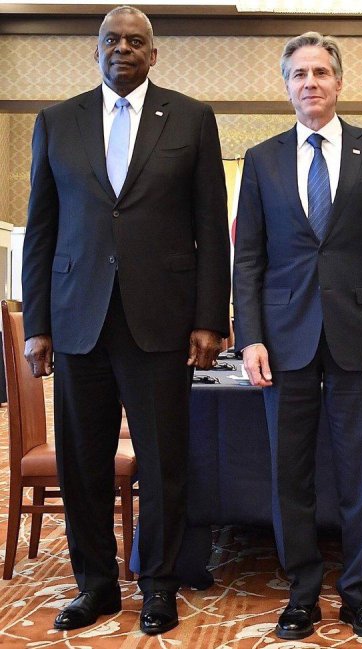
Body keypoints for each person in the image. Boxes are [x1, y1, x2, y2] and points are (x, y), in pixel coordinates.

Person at [22, 5, 230, 635]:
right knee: (83, 462)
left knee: (164, 460)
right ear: (96, 51)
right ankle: (97, 586)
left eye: (135, 42)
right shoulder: (57, 122)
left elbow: (209, 227)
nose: (123, 49)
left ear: (154, 54)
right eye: (111, 40)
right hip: (77, 319)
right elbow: (42, 229)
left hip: (162, 322)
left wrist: (209, 317)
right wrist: (37, 323)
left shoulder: (191, 118)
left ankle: (160, 585)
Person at [232, 32, 362, 642]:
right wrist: (249, 335)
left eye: (321, 72)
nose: (310, 82)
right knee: (292, 474)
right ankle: (302, 593)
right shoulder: (261, 159)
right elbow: (247, 259)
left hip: (360, 339)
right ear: (286, 86)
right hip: (282, 343)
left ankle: (360, 595)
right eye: (299, 74)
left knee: (360, 473)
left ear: (339, 82)